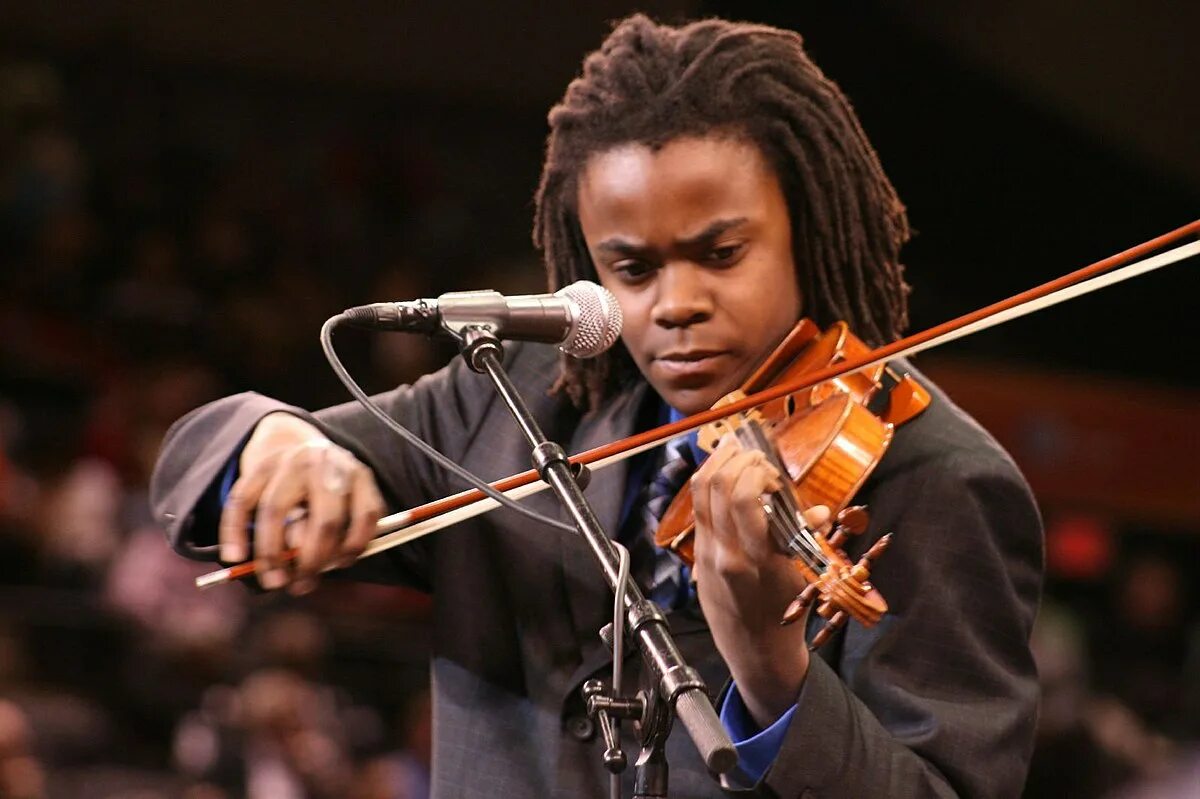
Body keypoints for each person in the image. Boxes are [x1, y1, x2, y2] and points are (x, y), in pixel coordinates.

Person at [151, 15, 1043, 798]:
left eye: (721, 253)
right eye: (633, 269)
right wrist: (278, 445)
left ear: (806, 231)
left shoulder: (938, 482)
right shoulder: (509, 400)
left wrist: (776, 678)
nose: (675, 304)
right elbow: (199, 462)